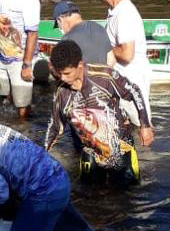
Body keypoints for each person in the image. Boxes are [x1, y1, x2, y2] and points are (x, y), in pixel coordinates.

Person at [46, 41, 154, 179]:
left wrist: (145, 125)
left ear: (80, 65)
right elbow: (55, 127)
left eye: (67, 73)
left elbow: (134, 91)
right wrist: (41, 156)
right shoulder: (62, 93)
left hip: (121, 148)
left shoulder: (104, 76)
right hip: (90, 153)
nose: (63, 78)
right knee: (89, 196)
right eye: (59, 74)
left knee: (128, 195)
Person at [101, 0, 152, 117]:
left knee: (139, 128)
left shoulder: (125, 14)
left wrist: (100, 46)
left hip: (131, 80)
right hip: (120, 81)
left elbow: (127, 53)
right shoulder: (116, 11)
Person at [53, 0, 113, 66]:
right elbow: (111, 61)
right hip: (103, 74)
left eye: (57, 24)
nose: (59, 28)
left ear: (60, 20)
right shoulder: (98, 27)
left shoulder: (67, 40)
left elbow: (66, 69)